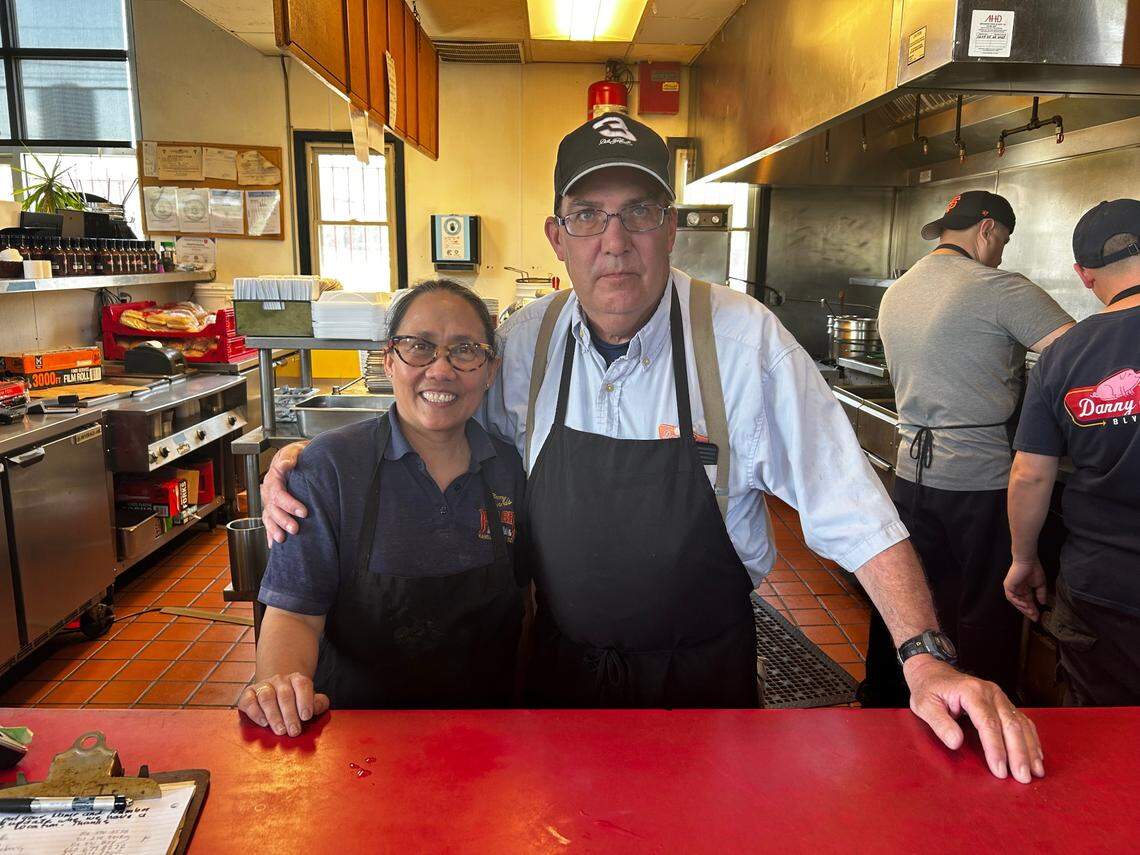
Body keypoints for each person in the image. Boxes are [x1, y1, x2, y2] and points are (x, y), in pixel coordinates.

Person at [262, 116, 1043, 783]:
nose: (615, 243)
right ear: (556, 236)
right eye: (588, 215)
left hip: (703, 681)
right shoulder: (527, 340)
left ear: (672, 228)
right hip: (561, 677)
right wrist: (317, 463)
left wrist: (926, 653)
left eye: (639, 213)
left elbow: (853, 506)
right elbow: (442, 410)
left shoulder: (741, 342)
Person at [239, 280, 526, 736]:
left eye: (465, 350)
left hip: (489, 733)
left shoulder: (513, 468)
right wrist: (281, 684)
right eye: (420, 347)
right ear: (389, 360)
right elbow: (295, 612)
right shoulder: (328, 467)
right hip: (355, 737)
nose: (441, 369)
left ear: (489, 370)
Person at [869, 192, 1074, 706]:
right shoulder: (998, 287)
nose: (1001, 253)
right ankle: (987, 710)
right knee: (987, 605)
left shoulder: (898, 290)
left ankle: (892, 703)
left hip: (911, 472)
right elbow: (1086, 358)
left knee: (916, 597)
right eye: (1002, 240)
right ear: (986, 230)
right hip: (981, 479)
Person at [1005, 199, 1140, 706]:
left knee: (1103, 738)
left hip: (1104, 585)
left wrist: (1023, 559)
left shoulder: (1064, 354)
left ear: (1083, 275)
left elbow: (1030, 476)